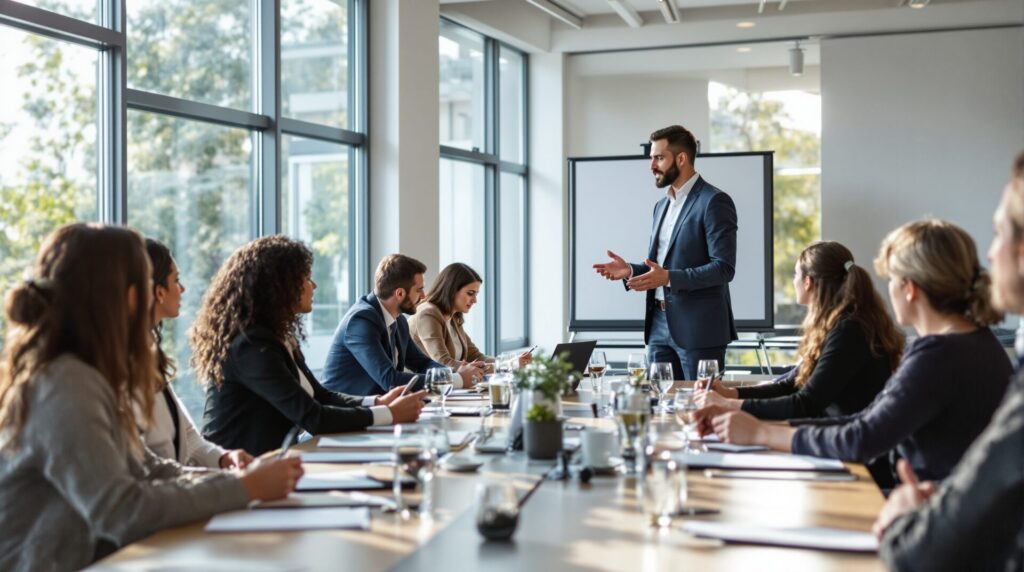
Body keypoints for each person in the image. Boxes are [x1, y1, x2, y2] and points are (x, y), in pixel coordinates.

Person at [0, 224, 302, 571]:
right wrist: (244, 488)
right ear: (127, 295)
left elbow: (146, 466)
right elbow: (121, 511)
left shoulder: (80, 372)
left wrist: (239, 481)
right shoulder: (66, 384)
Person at [702, 219, 1012, 482]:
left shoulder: (938, 354)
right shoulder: (979, 343)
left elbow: (862, 437)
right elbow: (864, 420)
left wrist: (762, 434)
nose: (887, 289)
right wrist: (761, 424)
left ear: (910, 287)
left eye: (891, 279)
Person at [874, 154, 1024, 571]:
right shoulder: (982, 345)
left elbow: (916, 556)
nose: (991, 255)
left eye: (998, 234)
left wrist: (905, 514)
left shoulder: (941, 352)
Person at [194, 237, 425, 456]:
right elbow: (313, 416)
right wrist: (388, 413)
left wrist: (376, 402)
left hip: (276, 461)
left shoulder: (278, 335)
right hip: (241, 472)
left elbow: (320, 395)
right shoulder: (251, 345)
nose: (313, 285)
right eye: (306, 278)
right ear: (280, 287)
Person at [696, 241, 904, 420]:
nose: (793, 280)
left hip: (848, 450)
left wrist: (729, 406)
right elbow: (792, 384)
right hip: (832, 436)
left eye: (796, 274)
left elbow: (805, 403)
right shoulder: (837, 324)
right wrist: (729, 394)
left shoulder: (848, 330)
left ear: (807, 282)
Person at [593, 124, 738, 381]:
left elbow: (723, 268)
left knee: (701, 409)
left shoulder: (714, 201)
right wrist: (631, 270)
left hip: (700, 331)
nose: (652, 166)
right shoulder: (661, 206)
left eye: (659, 158)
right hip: (658, 325)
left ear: (681, 158)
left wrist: (669, 278)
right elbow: (662, 266)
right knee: (661, 406)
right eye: (651, 158)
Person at [137, 238, 252, 468]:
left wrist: (224, 458)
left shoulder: (149, 352)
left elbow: (188, 436)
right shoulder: (121, 363)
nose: (182, 289)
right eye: (176, 280)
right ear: (159, 292)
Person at [321, 254, 479, 395]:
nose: (424, 295)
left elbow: (422, 363)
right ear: (400, 293)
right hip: (345, 416)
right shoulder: (361, 321)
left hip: (379, 409)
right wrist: (457, 379)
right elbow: (389, 379)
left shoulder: (398, 320)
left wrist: (455, 373)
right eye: (419, 290)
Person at [408, 262, 531, 372]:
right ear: (451, 290)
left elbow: (476, 356)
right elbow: (443, 363)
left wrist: (512, 361)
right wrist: (509, 365)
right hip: (428, 392)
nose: (475, 300)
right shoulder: (428, 314)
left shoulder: (453, 317)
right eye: (470, 293)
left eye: (476, 294)